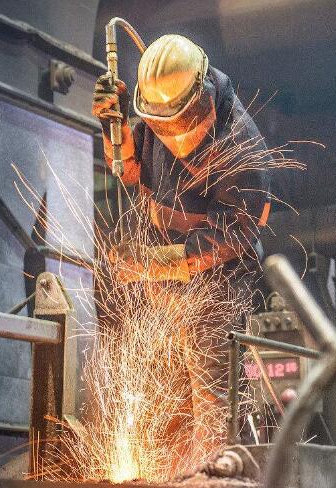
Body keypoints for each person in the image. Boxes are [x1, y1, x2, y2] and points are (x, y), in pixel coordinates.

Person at [92, 34, 271, 452]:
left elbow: (233, 236)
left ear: (204, 93)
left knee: (213, 399)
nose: (175, 135)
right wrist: (111, 125)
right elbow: (131, 171)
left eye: (181, 123)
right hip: (165, 276)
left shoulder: (242, 146)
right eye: (162, 125)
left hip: (219, 281)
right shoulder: (157, 116)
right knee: (163, 395)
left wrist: (155, 262)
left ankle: (220, 481)